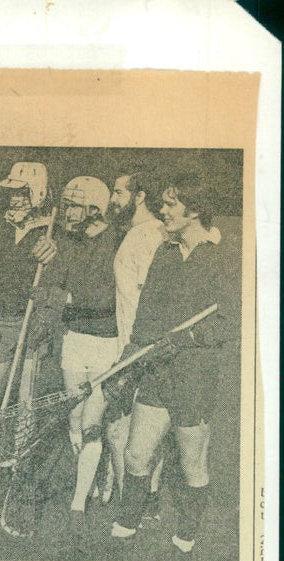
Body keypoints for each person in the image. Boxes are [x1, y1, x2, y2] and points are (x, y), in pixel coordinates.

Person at [110, 171, 227, 556]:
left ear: (193, 211)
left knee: (193, 461)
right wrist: (130, 357)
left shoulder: (221, 257)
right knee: (136, 453)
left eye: (170, 204)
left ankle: (189, 528)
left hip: (195, 373)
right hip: (158, 366)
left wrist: (189, 338)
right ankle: (130, 517)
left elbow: (234, 320)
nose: (162, 212)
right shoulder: (164, 252)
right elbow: (147, 313)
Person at [37, 175, 119, 543]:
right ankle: (90, 470)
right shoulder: (68, 241)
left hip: (105, 340)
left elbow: (105, 298)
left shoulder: (115, 241)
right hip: (73, 339)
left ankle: (78, 501)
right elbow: (52, 281)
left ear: (95, 209)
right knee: (74, 414)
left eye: (75, 205)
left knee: (92, 419)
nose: (68, 212)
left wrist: (63, 299)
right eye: (67, 204)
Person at [0, 161, 56, 471]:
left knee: (27, 402)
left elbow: (60, 283)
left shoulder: (52, 231)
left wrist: (47, 311)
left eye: (22, 193)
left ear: (38, 193)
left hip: (32, 324)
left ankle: (20, 463)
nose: (15, 199)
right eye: (12, 193)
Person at [107, 169, 167, 505]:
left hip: (138, 350)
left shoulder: (147, 236)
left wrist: (134, 352)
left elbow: (152, 297)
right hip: (132, 347)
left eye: (118, 192)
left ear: (139, 196)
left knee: (123, 430)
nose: (113, 200)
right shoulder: (138, 233)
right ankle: (142, 503)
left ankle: (132, 505)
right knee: (136, 432)